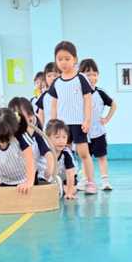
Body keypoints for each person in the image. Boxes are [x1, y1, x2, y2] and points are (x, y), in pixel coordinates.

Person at [47, 40, 96, 193]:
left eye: (67, 59)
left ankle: (90, 182)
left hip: (79, 123)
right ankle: (67, 183)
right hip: (62, 126)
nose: (63, 63)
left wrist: (87, 120)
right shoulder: (56, 82)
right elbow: (53, 105)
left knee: (83, 153)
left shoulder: (81, 78)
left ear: (75, 59)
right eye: (60, 59)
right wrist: (53, 124)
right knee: (64, 154)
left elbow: (88, 100)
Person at [79, 58, 117, 190]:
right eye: (88, 74)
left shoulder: (100, 92)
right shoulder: (79, 94)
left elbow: (113, 104)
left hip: (98, 132)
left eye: (94, 74)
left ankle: (105, 180)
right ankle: (85, 179)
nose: (92, 78)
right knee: (85, 157)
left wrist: (107, 118)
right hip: (84, 132)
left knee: (101, 157)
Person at [0, 107, 35, 192]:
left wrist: (29, 181)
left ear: (14, 130)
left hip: (24, 178)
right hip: (3, 180)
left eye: (8, 140)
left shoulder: (21, 135)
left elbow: (29, 157)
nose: (3, 144)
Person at [9, 97, 54, 183]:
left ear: (30, 116)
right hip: (13, 178)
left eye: (19, 114)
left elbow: (48, 153)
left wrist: (50, 168)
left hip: (33, 177)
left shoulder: (37, 136)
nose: (16, 118)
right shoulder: (10, 136)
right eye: (13, 115)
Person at [45, 119, 78, 200]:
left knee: (72, 190)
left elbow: (70, 174)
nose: (61, 141)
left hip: (65, 177)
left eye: (64, 137)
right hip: (51, 177)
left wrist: (69, 193)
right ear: (47, 138)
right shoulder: (45, 152)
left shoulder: (66, 153)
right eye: (57, 137)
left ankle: (61, 185)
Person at [35, 62, 60, 128]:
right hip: (47, 129)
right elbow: (41, 114)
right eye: (49, 76)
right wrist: (40, 129)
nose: (52, 78)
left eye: (55, 75)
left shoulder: (63, 93)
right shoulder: (44, 96)